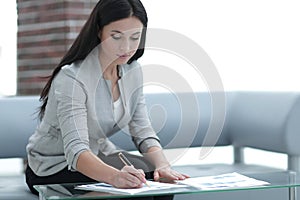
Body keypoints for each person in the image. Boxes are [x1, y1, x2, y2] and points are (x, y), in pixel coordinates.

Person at [25, 0, 189, 199]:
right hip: (53, 167)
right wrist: (115, 177)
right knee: (132, 190)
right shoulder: (72, 77)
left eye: (135, 37)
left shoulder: (132, 71)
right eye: (116, 37)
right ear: (99, 31)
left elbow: (143, 132)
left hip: (98, 156)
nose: (126, 47)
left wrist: (163, 166)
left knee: (160, 182)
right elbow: (76, 151)